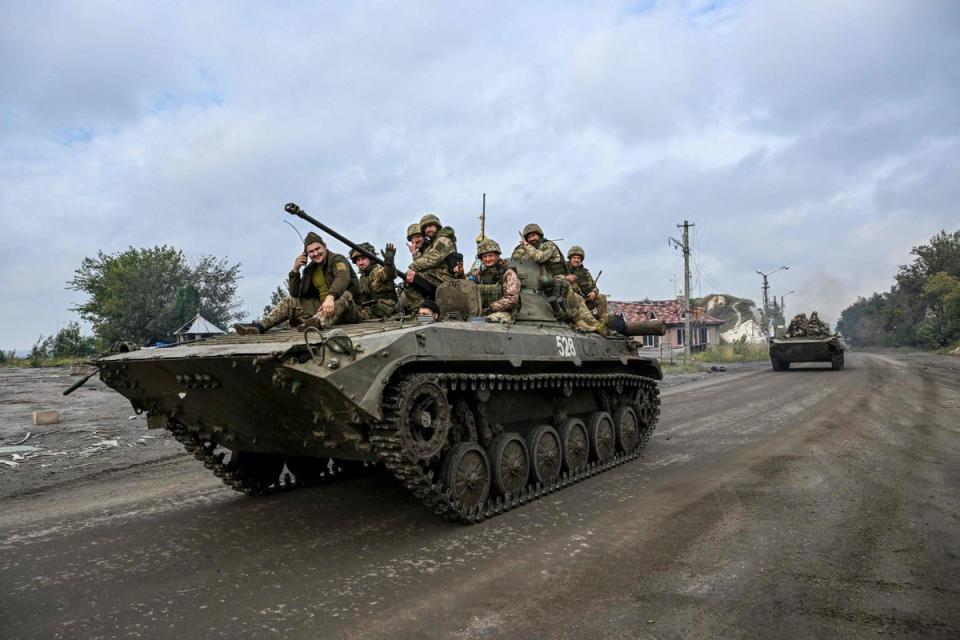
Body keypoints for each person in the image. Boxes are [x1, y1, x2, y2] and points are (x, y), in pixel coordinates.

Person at [234, 232, 360, 334]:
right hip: (323, 309)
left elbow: (343, 278)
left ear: (325, 246)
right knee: (290, 301)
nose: (315, 253)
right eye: (311, 251)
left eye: (318, 249)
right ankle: (259, 327)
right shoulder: (310, 269)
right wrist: (295, 270)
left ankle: (315, 323)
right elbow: (295, 293)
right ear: (306, 254)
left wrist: (330, 297)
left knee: (346, 295)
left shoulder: (337, 259)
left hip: (347, 311)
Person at [511, 223, 602, 333]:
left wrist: (526, 245)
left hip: (560, 285)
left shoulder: (548, 245)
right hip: (540, 287)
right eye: (529, 237)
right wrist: (522, 248)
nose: (531, 239)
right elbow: (516, 260)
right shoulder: (528, 249)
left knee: (580, 309)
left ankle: (598, 326)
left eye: (534, 235)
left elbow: (539, 257)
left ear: (539, 235)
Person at [403, 213, 458, 311]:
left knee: (410, 278)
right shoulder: (433, 243)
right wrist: (415, 253)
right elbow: (425, 261)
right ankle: (421, 311)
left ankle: (422, 311)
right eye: (426, 228)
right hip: (435, 278)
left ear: (437, 226)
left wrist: (413, 268)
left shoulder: (444, 240)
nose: (428, 230)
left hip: (444, 280)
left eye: (431, 226)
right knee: (410, 279)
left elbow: (434, 257)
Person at [473, 239, 520, 323]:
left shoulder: (508, 273)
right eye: (484, 256)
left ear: (497, 256)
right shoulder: (481, 274)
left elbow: (511, 299)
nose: (487, 259)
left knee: (485, 322)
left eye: (490, 255)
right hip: (483, 312)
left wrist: (491, 308)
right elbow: (470, 289)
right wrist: (459, 274)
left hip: (504, 313)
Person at [350, 242, 399, 319]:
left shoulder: (377, 271)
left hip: (387, 308)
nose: (360, 263)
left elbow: (390, 274)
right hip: (372, 309)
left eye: (363, 259)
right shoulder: (362, 278)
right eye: (358, 260)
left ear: (371, 259)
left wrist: (389, 262)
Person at [565, 245, 608, 320]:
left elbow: (594, 287)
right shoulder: (564, 268)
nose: (576, 260)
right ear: (570, 258)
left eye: (578, 258)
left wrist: (594, 292)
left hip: (585, 301)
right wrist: (566, 278)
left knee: (602, 297)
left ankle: (603, 321)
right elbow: (555, 278)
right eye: (574, 258)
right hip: (570, 302)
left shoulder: (585, 273)